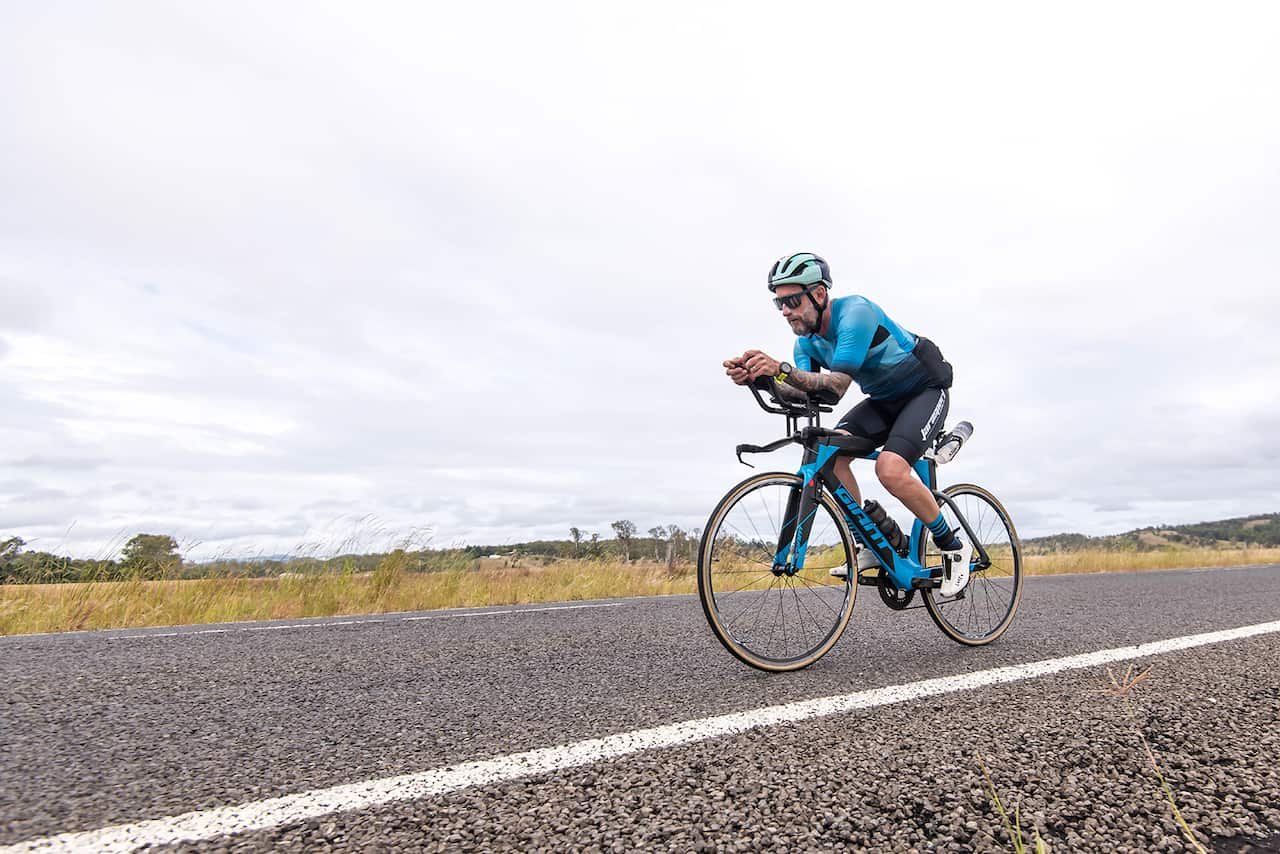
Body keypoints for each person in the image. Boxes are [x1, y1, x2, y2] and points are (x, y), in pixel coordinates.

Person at [723, 252, 971, 596]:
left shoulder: (856, 314)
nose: (785, 311)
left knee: (891, 469)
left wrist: (778, 368)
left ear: (819, 295)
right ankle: (867, 542)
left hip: (924, 389)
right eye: (779, 303)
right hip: (883, 400)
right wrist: (760, 380)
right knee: (832, 456)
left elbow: (836, 387)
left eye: (792, 301)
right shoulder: (805, 343)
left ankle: (953, 546)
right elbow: (809, 391)